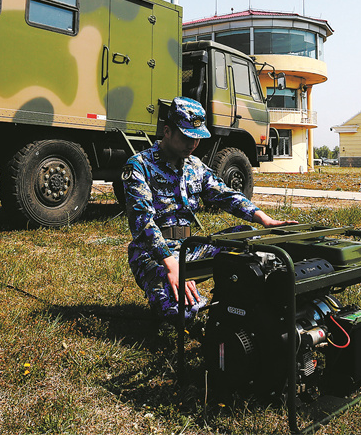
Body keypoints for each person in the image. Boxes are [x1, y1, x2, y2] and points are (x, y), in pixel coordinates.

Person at [122, 97, 296, 322]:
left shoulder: (195, 166)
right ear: (167, 131)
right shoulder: (139, 166)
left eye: (197, 138)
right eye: (186, 137)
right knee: (180, 312)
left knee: (248, 241)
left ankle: (235, 300)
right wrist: (171, 264)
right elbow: (142, 222)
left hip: (188, 248)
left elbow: (225, 195)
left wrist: (264, 219)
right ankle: (181, 302)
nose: (192, 144)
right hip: (153, 254)